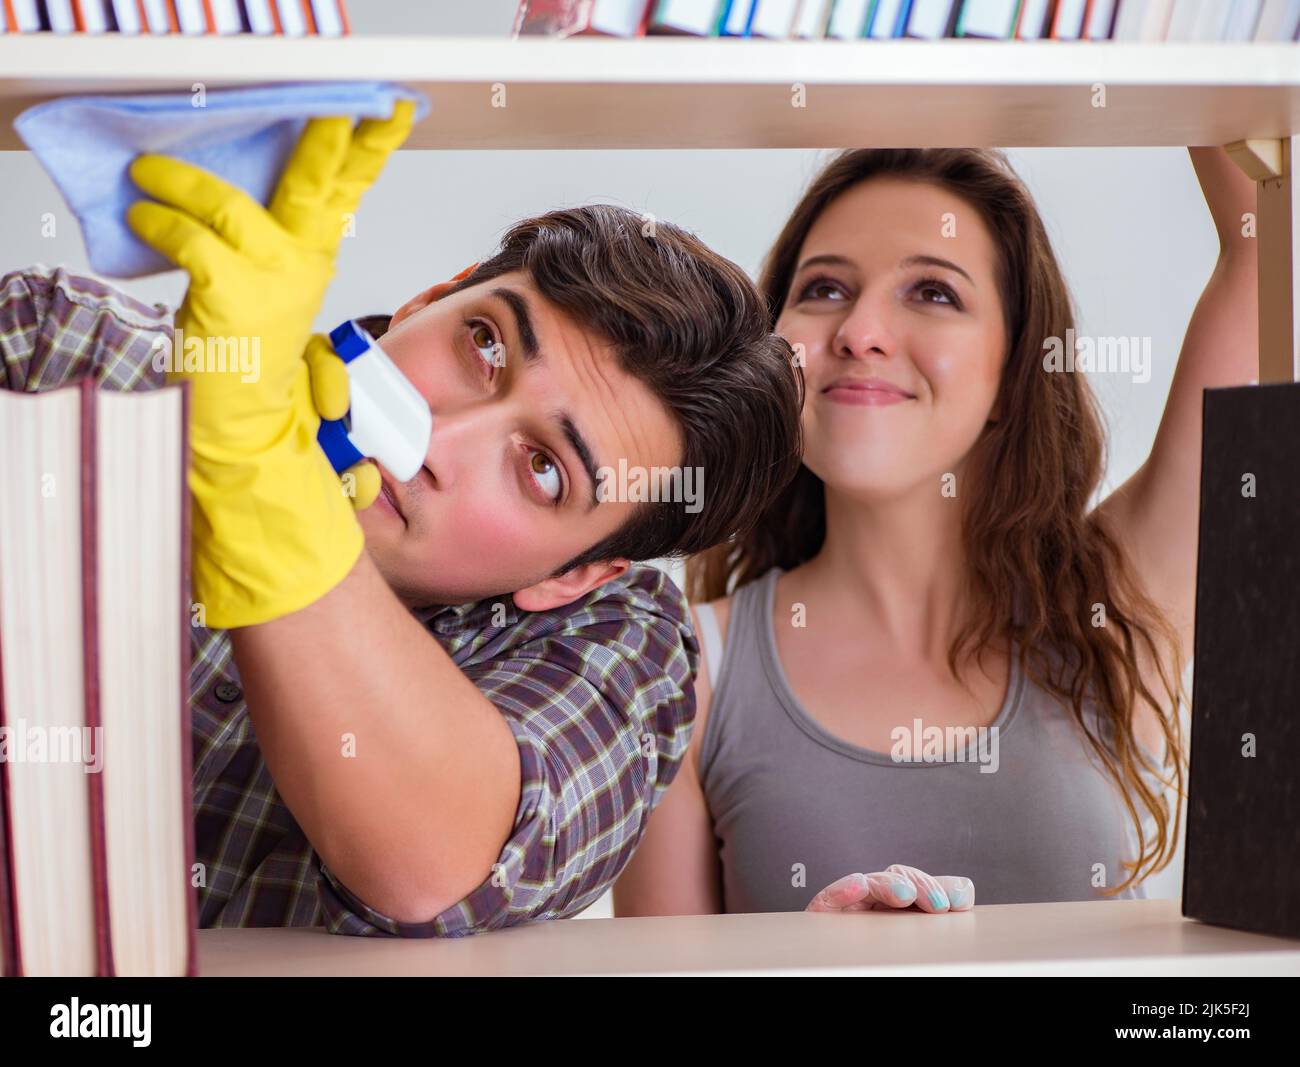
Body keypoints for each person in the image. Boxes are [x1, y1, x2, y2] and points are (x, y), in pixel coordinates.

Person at [0, 104, 804, 936]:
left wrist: (258, 477)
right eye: (483, 345)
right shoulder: (66, 354)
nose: (438, 438)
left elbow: (435, 863)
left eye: (542, 468)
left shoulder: (621, 641)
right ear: (429, 298)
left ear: (576, 571)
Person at [615, 146, 1257, 917]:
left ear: (1012, 369)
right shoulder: (682, 672)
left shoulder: (1115, 603)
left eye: (932, 291)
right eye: (824, 288)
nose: (860, 330)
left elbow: (1263, 245)